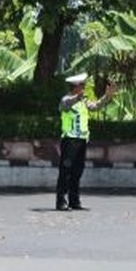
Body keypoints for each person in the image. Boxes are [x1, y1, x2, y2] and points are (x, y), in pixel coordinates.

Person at [55, 73, 115, 211]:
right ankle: (61, 201)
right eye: (82, 85)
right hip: (70, 140)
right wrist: (77, 98)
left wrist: (107, 96)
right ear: (75, 87)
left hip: (82, 140)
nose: (84, 87)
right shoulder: (66, 99)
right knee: (65, 171)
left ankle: (74, 201)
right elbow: (64, 106)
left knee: (77, 171)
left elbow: (95, 107)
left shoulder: (83, 100)